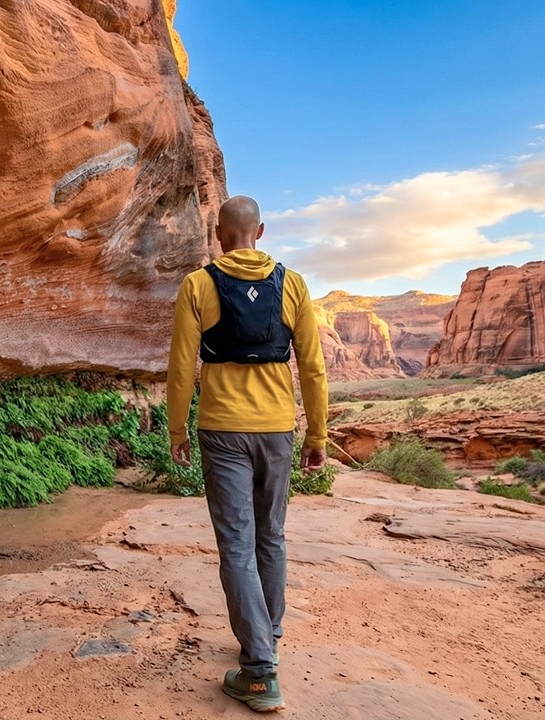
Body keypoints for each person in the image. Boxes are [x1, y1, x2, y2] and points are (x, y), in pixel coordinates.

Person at [166, 195, 327, 713]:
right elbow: (313, 368)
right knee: (271, 537)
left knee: (236, 545)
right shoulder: (293, 284)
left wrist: (176, 429)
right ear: (260, 230)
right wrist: (317, 435)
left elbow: (180, 367)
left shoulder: (198, 284)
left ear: (219, 234)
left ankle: (258, 672)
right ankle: (268, 635)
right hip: (278, 431)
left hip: (221, 431)